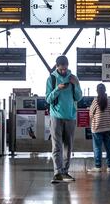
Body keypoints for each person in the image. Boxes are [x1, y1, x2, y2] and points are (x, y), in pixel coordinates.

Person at [46, 55, 83, 183]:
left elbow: (78, 97)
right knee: (57, 146)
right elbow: (48, 99)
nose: (63, 71)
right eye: (61, 69)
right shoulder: (51, 78)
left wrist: (76, 85)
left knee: (68, 146)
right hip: (56, 116)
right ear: (57, 67)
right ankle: (57, 172)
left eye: (65, 69)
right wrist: (58, 89)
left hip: (71, 116)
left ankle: (65, 172)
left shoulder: (73, 78)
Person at [88, 83, 110, 172]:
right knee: (108, 147)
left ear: (97, 91)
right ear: (105, 90)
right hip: (107, 127)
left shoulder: (95, 101)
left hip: (97, 127)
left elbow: (91, 114)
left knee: (97, 148)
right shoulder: (109, 101)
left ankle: (98, 167)